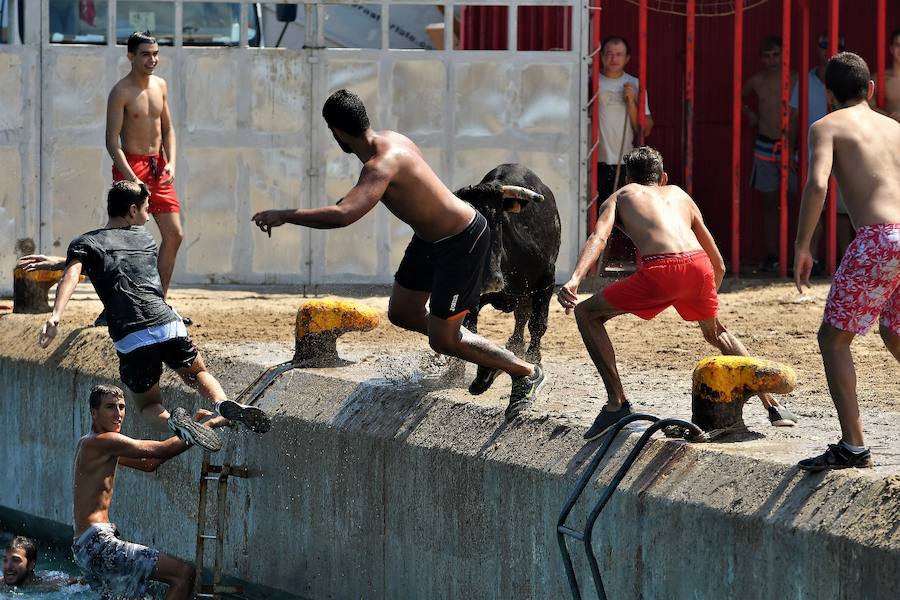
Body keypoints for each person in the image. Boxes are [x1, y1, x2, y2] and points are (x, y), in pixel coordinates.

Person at [251, 89, 545, 420]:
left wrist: (285, 214)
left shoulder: (380, 165)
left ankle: (524, 372)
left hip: (461, 240)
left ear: (336, 132)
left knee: (443, 341)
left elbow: (343, 214)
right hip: (429, 239)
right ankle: (482, 355)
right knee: (403, 312)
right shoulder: (392, 139)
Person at [558, 146, 798, 441]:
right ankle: (773, 406)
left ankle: (616, 405)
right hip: (700, 267)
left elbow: (599, 236)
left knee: (586, 313)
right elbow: (719, 264)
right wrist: (702, 294)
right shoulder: (680, 194)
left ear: (628, 179)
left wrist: (574, 280)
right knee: (717, 333)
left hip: (660, 269)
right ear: (663, 177)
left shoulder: (621, 196)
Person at [19, 181, 271, 451]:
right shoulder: (144, 239)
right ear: (131, 211)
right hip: (168, 325)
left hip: (132, 336)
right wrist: (67, 260)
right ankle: (222, 403)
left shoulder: (85, 242)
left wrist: (56, 314)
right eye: (146, 209)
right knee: (197, 373)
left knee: (149, 404)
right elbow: (112, 258)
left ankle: (176, 423)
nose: (149, 216)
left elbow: (79, 270)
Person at [794, 52, 900, 471]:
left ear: (827, 93)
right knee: (894, 333)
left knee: (832, 340)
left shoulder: (826, 125)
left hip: (876, 240)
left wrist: (804, 244)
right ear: (871, 88)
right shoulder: (894, 127)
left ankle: (853, 447)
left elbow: (818, 183)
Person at [71, 384, 213, 599]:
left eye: (122, 407)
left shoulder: (90, 444)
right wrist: (210, 424)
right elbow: (163, 448)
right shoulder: (106, 441)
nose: (118, 414)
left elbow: (149, 463)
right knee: (183, 573)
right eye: (110, 407)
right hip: (98, 543)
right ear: (94, 413)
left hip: (85, 547)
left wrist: (193, 427)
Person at [106, 31, 185, 320]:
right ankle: (115, 305)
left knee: (174, 234)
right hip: (131, 167)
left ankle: (158, 302)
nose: (152, 59)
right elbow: (112, 141)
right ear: (130, 56)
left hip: (158, 166)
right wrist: (131, 179)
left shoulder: (160, 85)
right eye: (145, 54)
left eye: (155, 53)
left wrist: (172, 163)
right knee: (124, 239)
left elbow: (168, 129)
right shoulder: (121, 91)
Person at [790, 32, 854, 263]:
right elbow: (795, 118)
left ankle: (846, 260)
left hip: (845, 153)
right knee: (815, 207)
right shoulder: (805, 81)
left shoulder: (850, 78)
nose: (830, 48)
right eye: (824, 44)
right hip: (812, 152)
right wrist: (790, 151)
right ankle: (813, 259)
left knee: (844, 210)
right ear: (817, 47)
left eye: (838, 44)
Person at [742, 35, 797, 272]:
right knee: (769, 202)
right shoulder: (757, 81)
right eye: (767, 56)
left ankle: (796, 252)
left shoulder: (795, 79)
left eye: (776, 55)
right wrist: (749, 114)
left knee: (797, 200)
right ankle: (772, 253)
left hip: (792, 145)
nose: (771, 60)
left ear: (784, 54)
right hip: (765, 144)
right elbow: (738, 96)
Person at [596, 36, 653, 207]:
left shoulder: (635, 84)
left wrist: (632, 102)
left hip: (624, 161)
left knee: (620, 211)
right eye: (609, 54)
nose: (613, 59)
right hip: (594, 161)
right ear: (602, 56)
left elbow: (644, 129)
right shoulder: (591, 81)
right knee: (593, 210)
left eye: (619, 54)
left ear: (627, 58)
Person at [3, 536, 80, 590]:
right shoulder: (2, 585)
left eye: (16, 560)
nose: (8, 566)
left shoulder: (52, 585)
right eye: (5, 560)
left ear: (31, 565)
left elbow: (82, 582)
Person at [883, 28, 900, 121]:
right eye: (898, 45)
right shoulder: (879, 79)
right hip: (889, 132)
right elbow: (868, 107)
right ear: (891, 49)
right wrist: (888, 118)